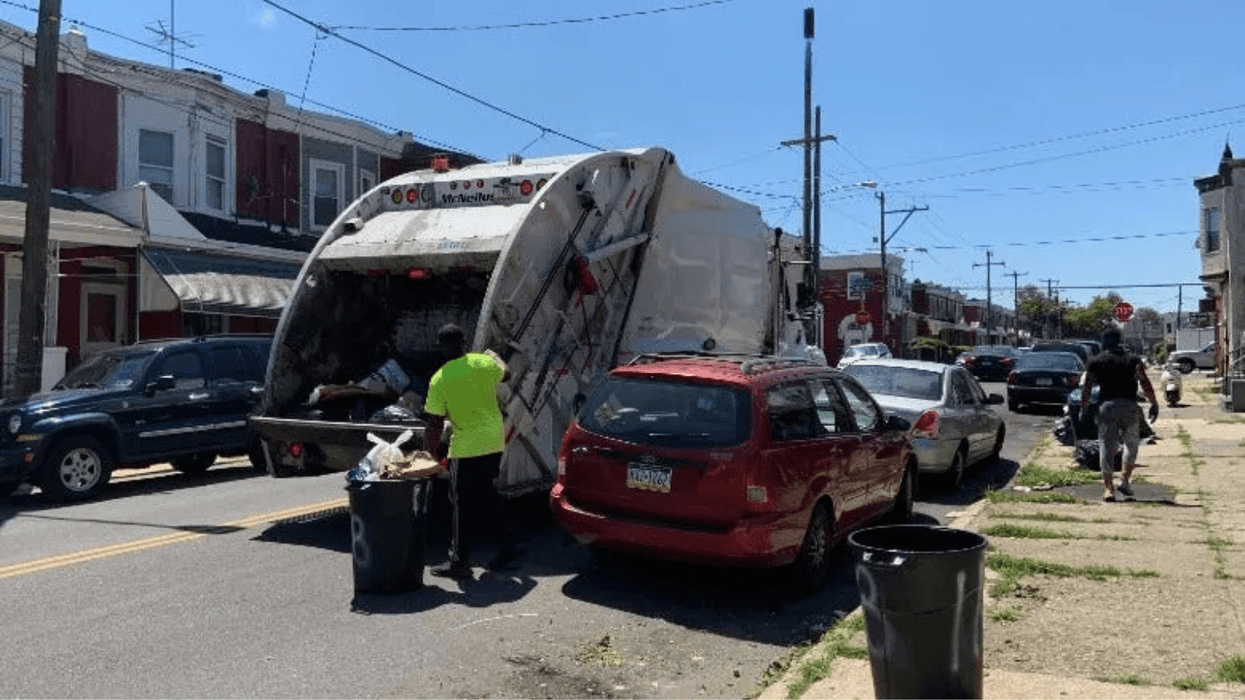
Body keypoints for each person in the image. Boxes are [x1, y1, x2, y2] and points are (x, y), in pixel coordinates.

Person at [424, 324, 521, 579]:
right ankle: (509, 544)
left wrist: (431, 454)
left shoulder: (440, 377)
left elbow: (434, 423)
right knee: (487, 494)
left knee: (459, 503)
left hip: (467, 447)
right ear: (464, 342)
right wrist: (496, 358)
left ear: (442, 348)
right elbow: (508, 375)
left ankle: (459, 561)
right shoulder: (483, 362)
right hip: (493, 442)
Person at [1080, 326, 1159, 502]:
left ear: (1104, 342)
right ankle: (1125, 480)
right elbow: (1144, 382)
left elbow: (1087, 386)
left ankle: (1108, 488)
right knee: (1131, 444)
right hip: (1130, 406)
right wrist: (1154, 403)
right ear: (1120, 341)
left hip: (1106, 407)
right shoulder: (1133, 360)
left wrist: (1084, 407)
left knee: (1106, 446)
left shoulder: (1096, 361)